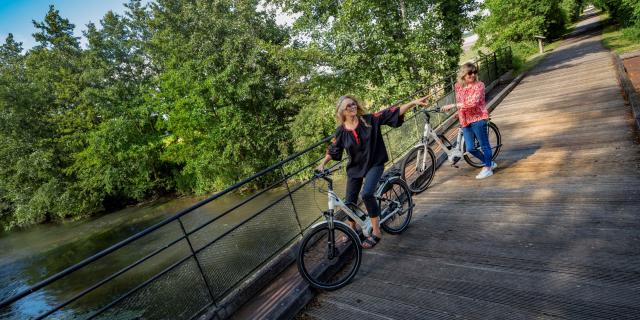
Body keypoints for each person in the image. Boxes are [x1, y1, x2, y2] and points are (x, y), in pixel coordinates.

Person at [317, 95, 429, 249]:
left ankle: (376, 232)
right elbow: (333, 150)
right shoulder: (341, 131)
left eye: (354, 103)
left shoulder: (368, 120)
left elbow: (391, 113)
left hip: (374, 163)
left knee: (367, 194)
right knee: (349, 201)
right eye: (349, 106)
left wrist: (412, 103)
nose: (353, 106)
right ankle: (353, 229)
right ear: (342, 111)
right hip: (355, 168)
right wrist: (322, 164)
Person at [442, 62, 497, 179]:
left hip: (478, 118)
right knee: (470, 148)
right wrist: (458, 112)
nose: (473, 75)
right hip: (465, 120)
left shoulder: (479, 85)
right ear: (463, 74)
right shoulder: (458, 86)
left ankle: (488, 168)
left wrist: (452, 105)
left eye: (475, 72)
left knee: (484, 145)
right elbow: (461, 102)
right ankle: (490, 162)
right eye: (470, 73)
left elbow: (473, 103)